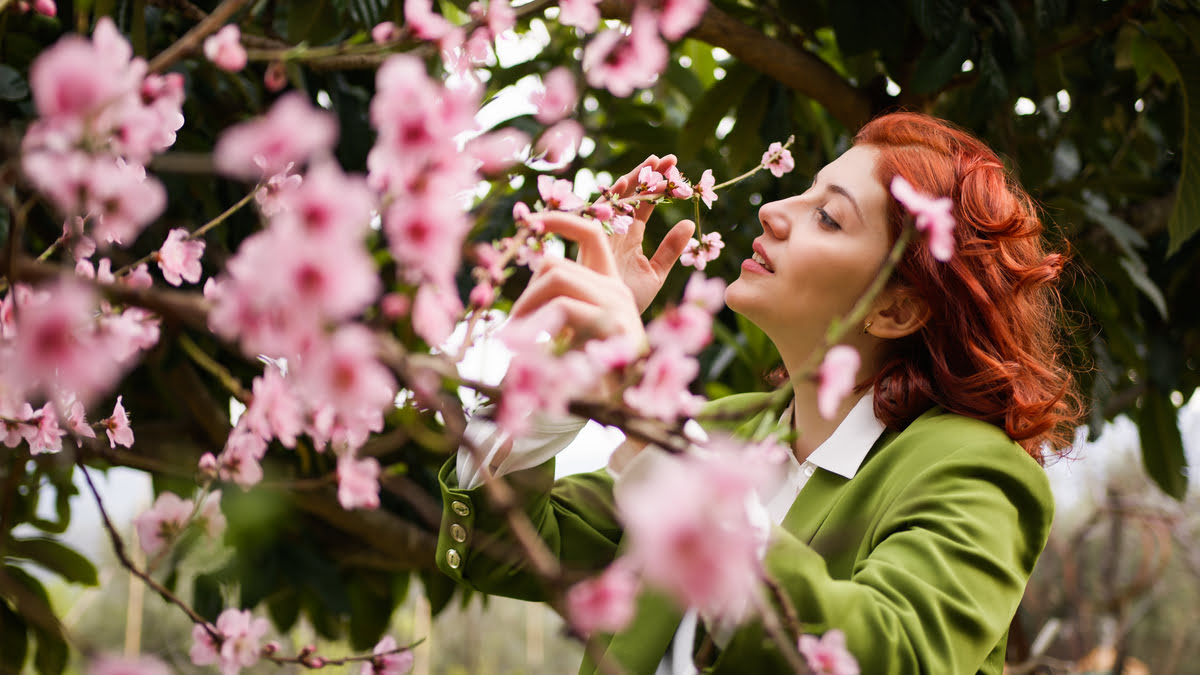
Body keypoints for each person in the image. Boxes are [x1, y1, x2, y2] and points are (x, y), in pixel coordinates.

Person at [434, 112, 1083, 674]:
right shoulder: (726, 433)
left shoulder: (975, 469)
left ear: (897, 309)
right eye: (803, 192)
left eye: (828, 216)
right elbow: (510, 548)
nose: (774, 211)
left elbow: (891, 654)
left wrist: (649, 410)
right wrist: (569, 365)